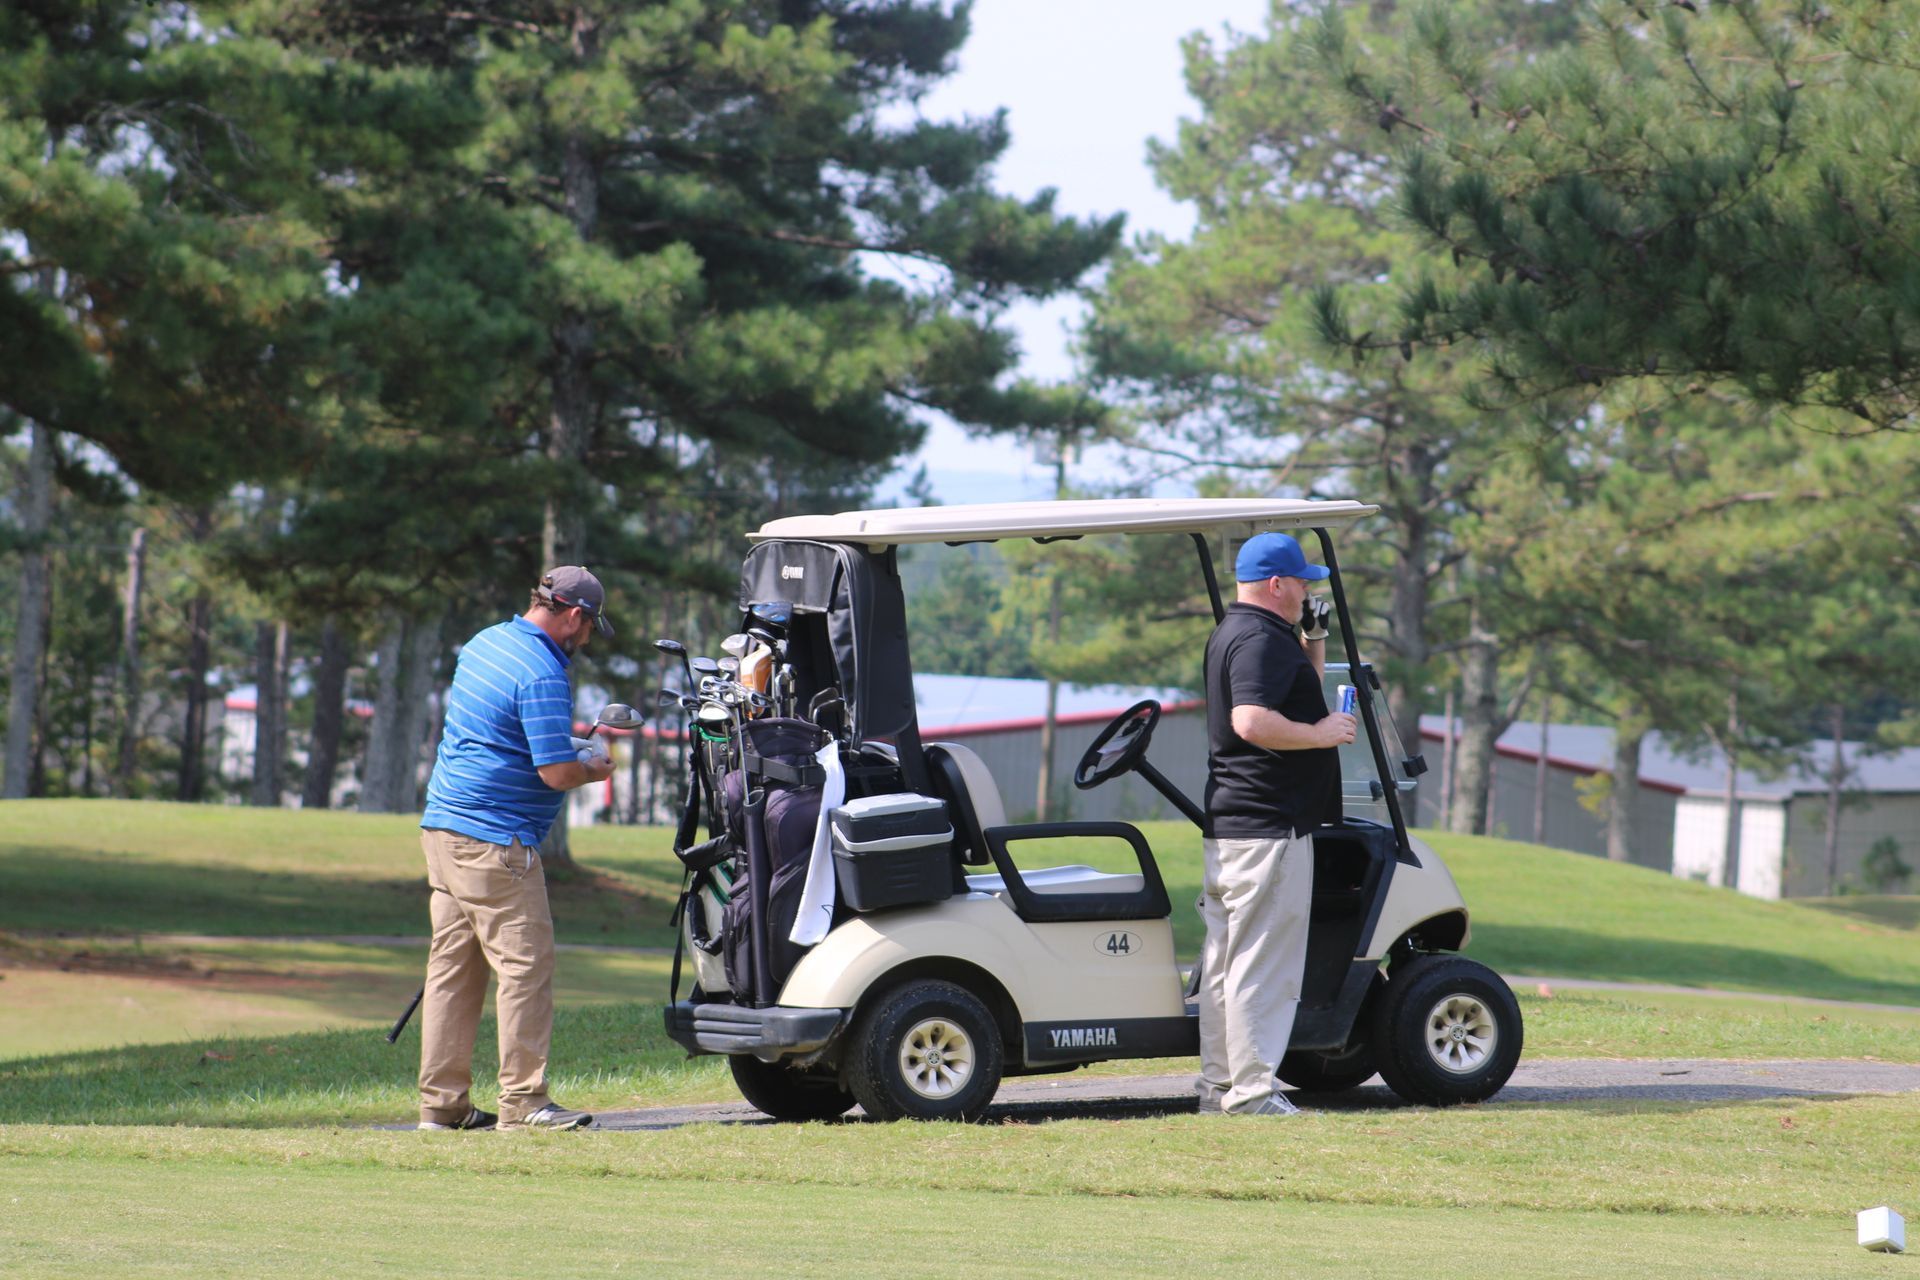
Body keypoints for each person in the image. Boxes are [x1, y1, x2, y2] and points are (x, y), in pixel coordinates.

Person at [415, 567, 618, 1132]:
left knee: (453, 971)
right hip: (494, 842)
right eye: (588, 628)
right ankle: (524, 1102)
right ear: (575, 616)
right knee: (527, 967)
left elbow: (500, 735)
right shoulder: (544, 671)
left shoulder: (485, 642)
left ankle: (442, 1106)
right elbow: (555, 772)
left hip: (443, 830)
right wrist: (595, 769)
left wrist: (568, 750)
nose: (586, 640)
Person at [1196, 532, 1356, 1117]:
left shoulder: (1243, 633)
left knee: (1226, 964)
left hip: (1238, 826)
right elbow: (1252, 720)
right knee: (1262, 966)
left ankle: (1220, 1087)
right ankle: (1253, 1095)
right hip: (1269, 827)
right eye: (1303, 584)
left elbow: (1295, 694)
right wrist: (1320, 735)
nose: (1307, 592)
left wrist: (1313, 639)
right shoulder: (1259, 641)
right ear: (1276, 584)